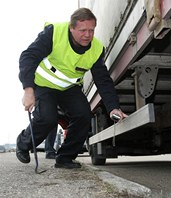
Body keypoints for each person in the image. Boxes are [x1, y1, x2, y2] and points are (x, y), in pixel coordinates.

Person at [16, 8, 127, 169]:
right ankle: (23, 144)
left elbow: (103, 80)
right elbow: (28, 57)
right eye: (82, 30)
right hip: (44, 84)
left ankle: (65, 158)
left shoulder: (96, 49)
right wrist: (28, 89)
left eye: (91, 30)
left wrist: (113, 107)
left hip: (69, 88)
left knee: (83, 115)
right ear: (71, 28)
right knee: (47, 118)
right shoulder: (54, 33)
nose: (87, 35)